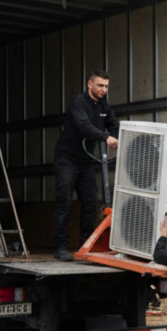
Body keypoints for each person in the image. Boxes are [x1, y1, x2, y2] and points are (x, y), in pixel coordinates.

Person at [52, 69, 120, 261]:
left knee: (90, 203)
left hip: (86, 161)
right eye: (100, 85)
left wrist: (115, 137)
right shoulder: (78, 102)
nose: (103, 89)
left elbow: (113, 124)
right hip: (67, 159)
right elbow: (84, 126)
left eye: (106, 86)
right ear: (89, 84)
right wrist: (106, 137)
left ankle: (85, 245)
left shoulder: (104, 105)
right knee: (64, 203)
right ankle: (60, 248)